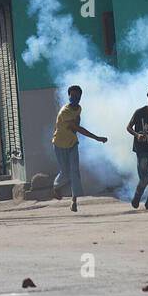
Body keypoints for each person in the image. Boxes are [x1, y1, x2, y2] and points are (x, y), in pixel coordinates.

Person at [51, 84, 107, 213]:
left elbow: (77, 121)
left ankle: (74, 201)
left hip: (72, 144)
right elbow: (78, 128)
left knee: (74, 171)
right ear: (69, 96)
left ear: (80, 97)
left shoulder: (78, 108)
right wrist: (96, 138)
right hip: (59, 144)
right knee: (65, 172)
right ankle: (56, 187)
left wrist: (76, 124)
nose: (75, 98)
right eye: (72, 96)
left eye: (77, 96)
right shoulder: (65, 111)